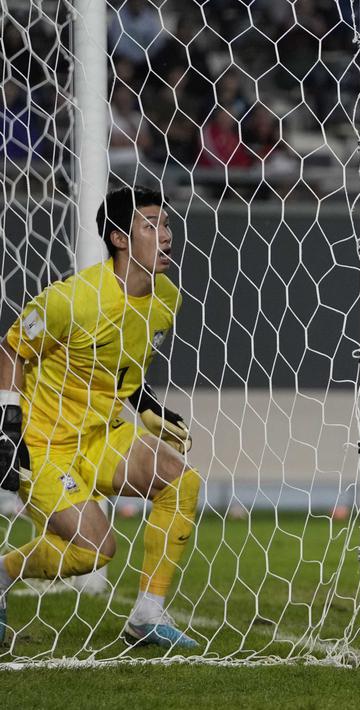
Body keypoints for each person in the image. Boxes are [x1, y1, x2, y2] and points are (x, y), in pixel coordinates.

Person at [0, 186, 200, 649]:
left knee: (180, 479)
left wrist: (147, 406)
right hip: (45, 445)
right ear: (119, 239)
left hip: (101, 436)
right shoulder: (72, 299)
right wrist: (8, 426)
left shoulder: (166, 298)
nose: (166, 236)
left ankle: (147, 615)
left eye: (166, 224)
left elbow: (124, 365)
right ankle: (4, 572)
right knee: (95, 552)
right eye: (151, 226)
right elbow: (11, 348)